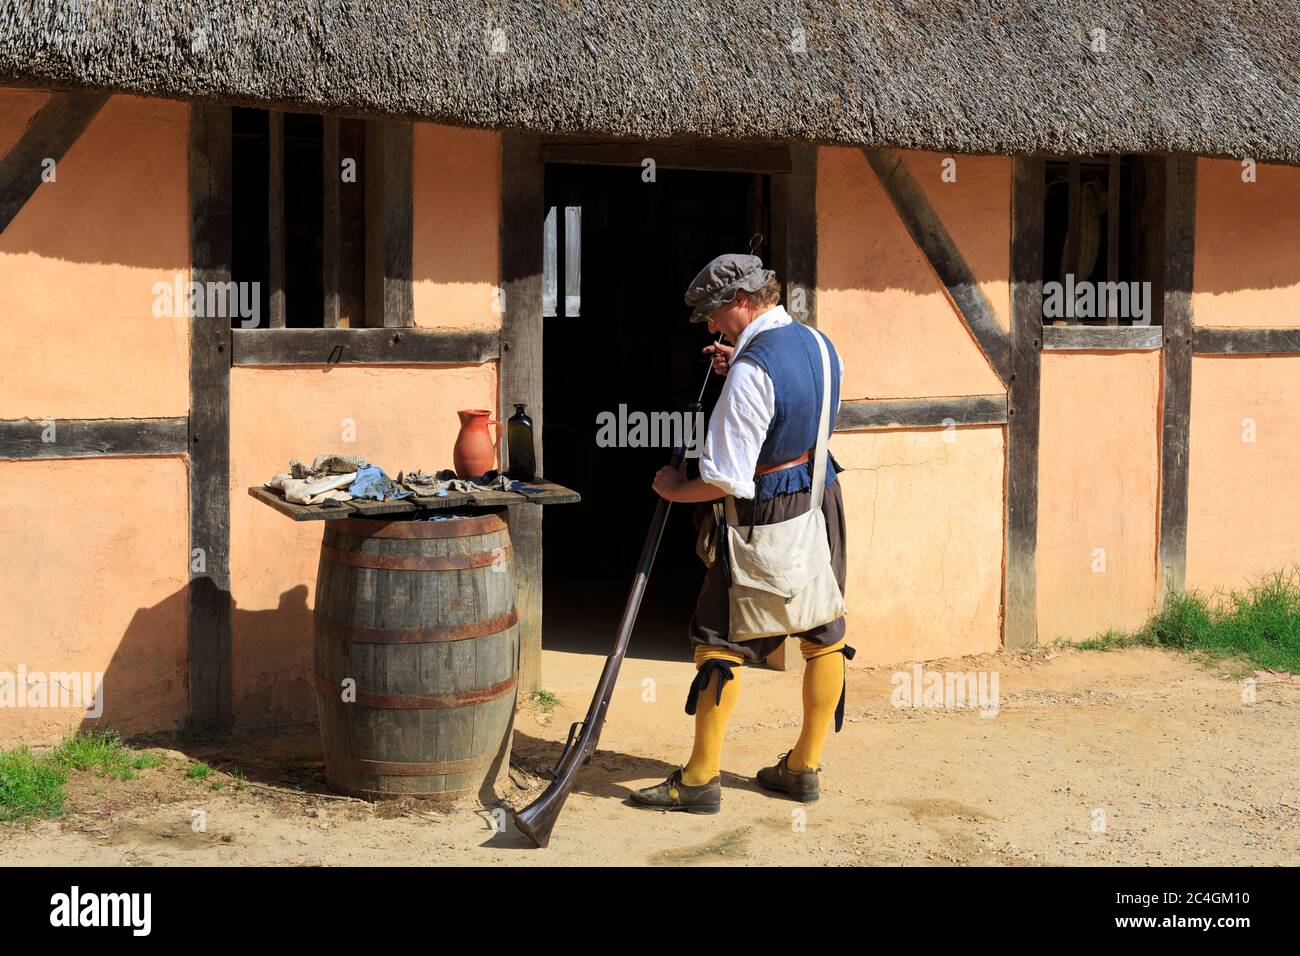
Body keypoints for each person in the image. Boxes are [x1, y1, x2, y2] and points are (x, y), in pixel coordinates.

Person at [630, 253, 851, 814]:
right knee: (822, 626)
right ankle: (804, 767)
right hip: (818, 498)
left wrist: (675, 489)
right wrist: (742, 369)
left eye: (713, 313)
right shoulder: (822, 345)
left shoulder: (754, 371)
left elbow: (727, 479)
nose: (710, 327)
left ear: (744, 302)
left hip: (763, 516)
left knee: (718, 636)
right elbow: (798, 411)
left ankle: (700, 781)